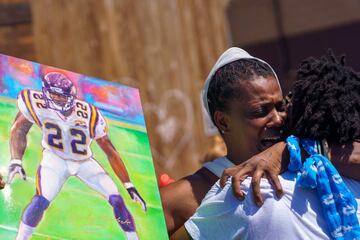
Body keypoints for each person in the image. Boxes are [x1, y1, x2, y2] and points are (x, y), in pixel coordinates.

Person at [160, 47, 360, 235]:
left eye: (280, 107)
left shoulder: (304, 158)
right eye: (260, 111)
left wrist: (286, 151)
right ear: (224, 121)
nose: (278, 119)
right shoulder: (193, 193)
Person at [7, 72, 146, 240]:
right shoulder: (35, 103)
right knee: (40, 201)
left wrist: (129, 184)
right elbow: (19, 129)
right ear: (46, 92)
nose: (58, 99)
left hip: (84, 161)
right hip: (54, 158)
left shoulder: (89, 114)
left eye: (61, 95)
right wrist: (15, 160)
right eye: (54, 94)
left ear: (71, 95)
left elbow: (109, 150)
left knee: (117, 200)